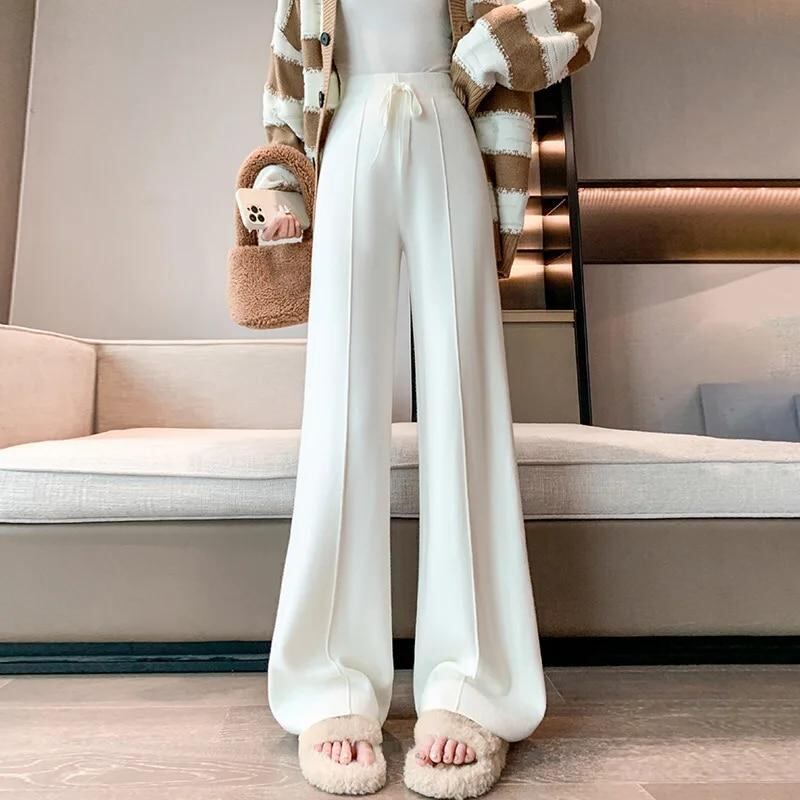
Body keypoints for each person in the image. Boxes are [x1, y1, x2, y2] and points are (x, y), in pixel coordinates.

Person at [256, 0, 601, 796]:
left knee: (465, 400)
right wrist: (279, 185)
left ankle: (472, 685)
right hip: (343, 141)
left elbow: (580, 15)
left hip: (449, 128)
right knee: (338, 413)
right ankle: (329, 683)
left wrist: (482, 54)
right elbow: (286, 72)